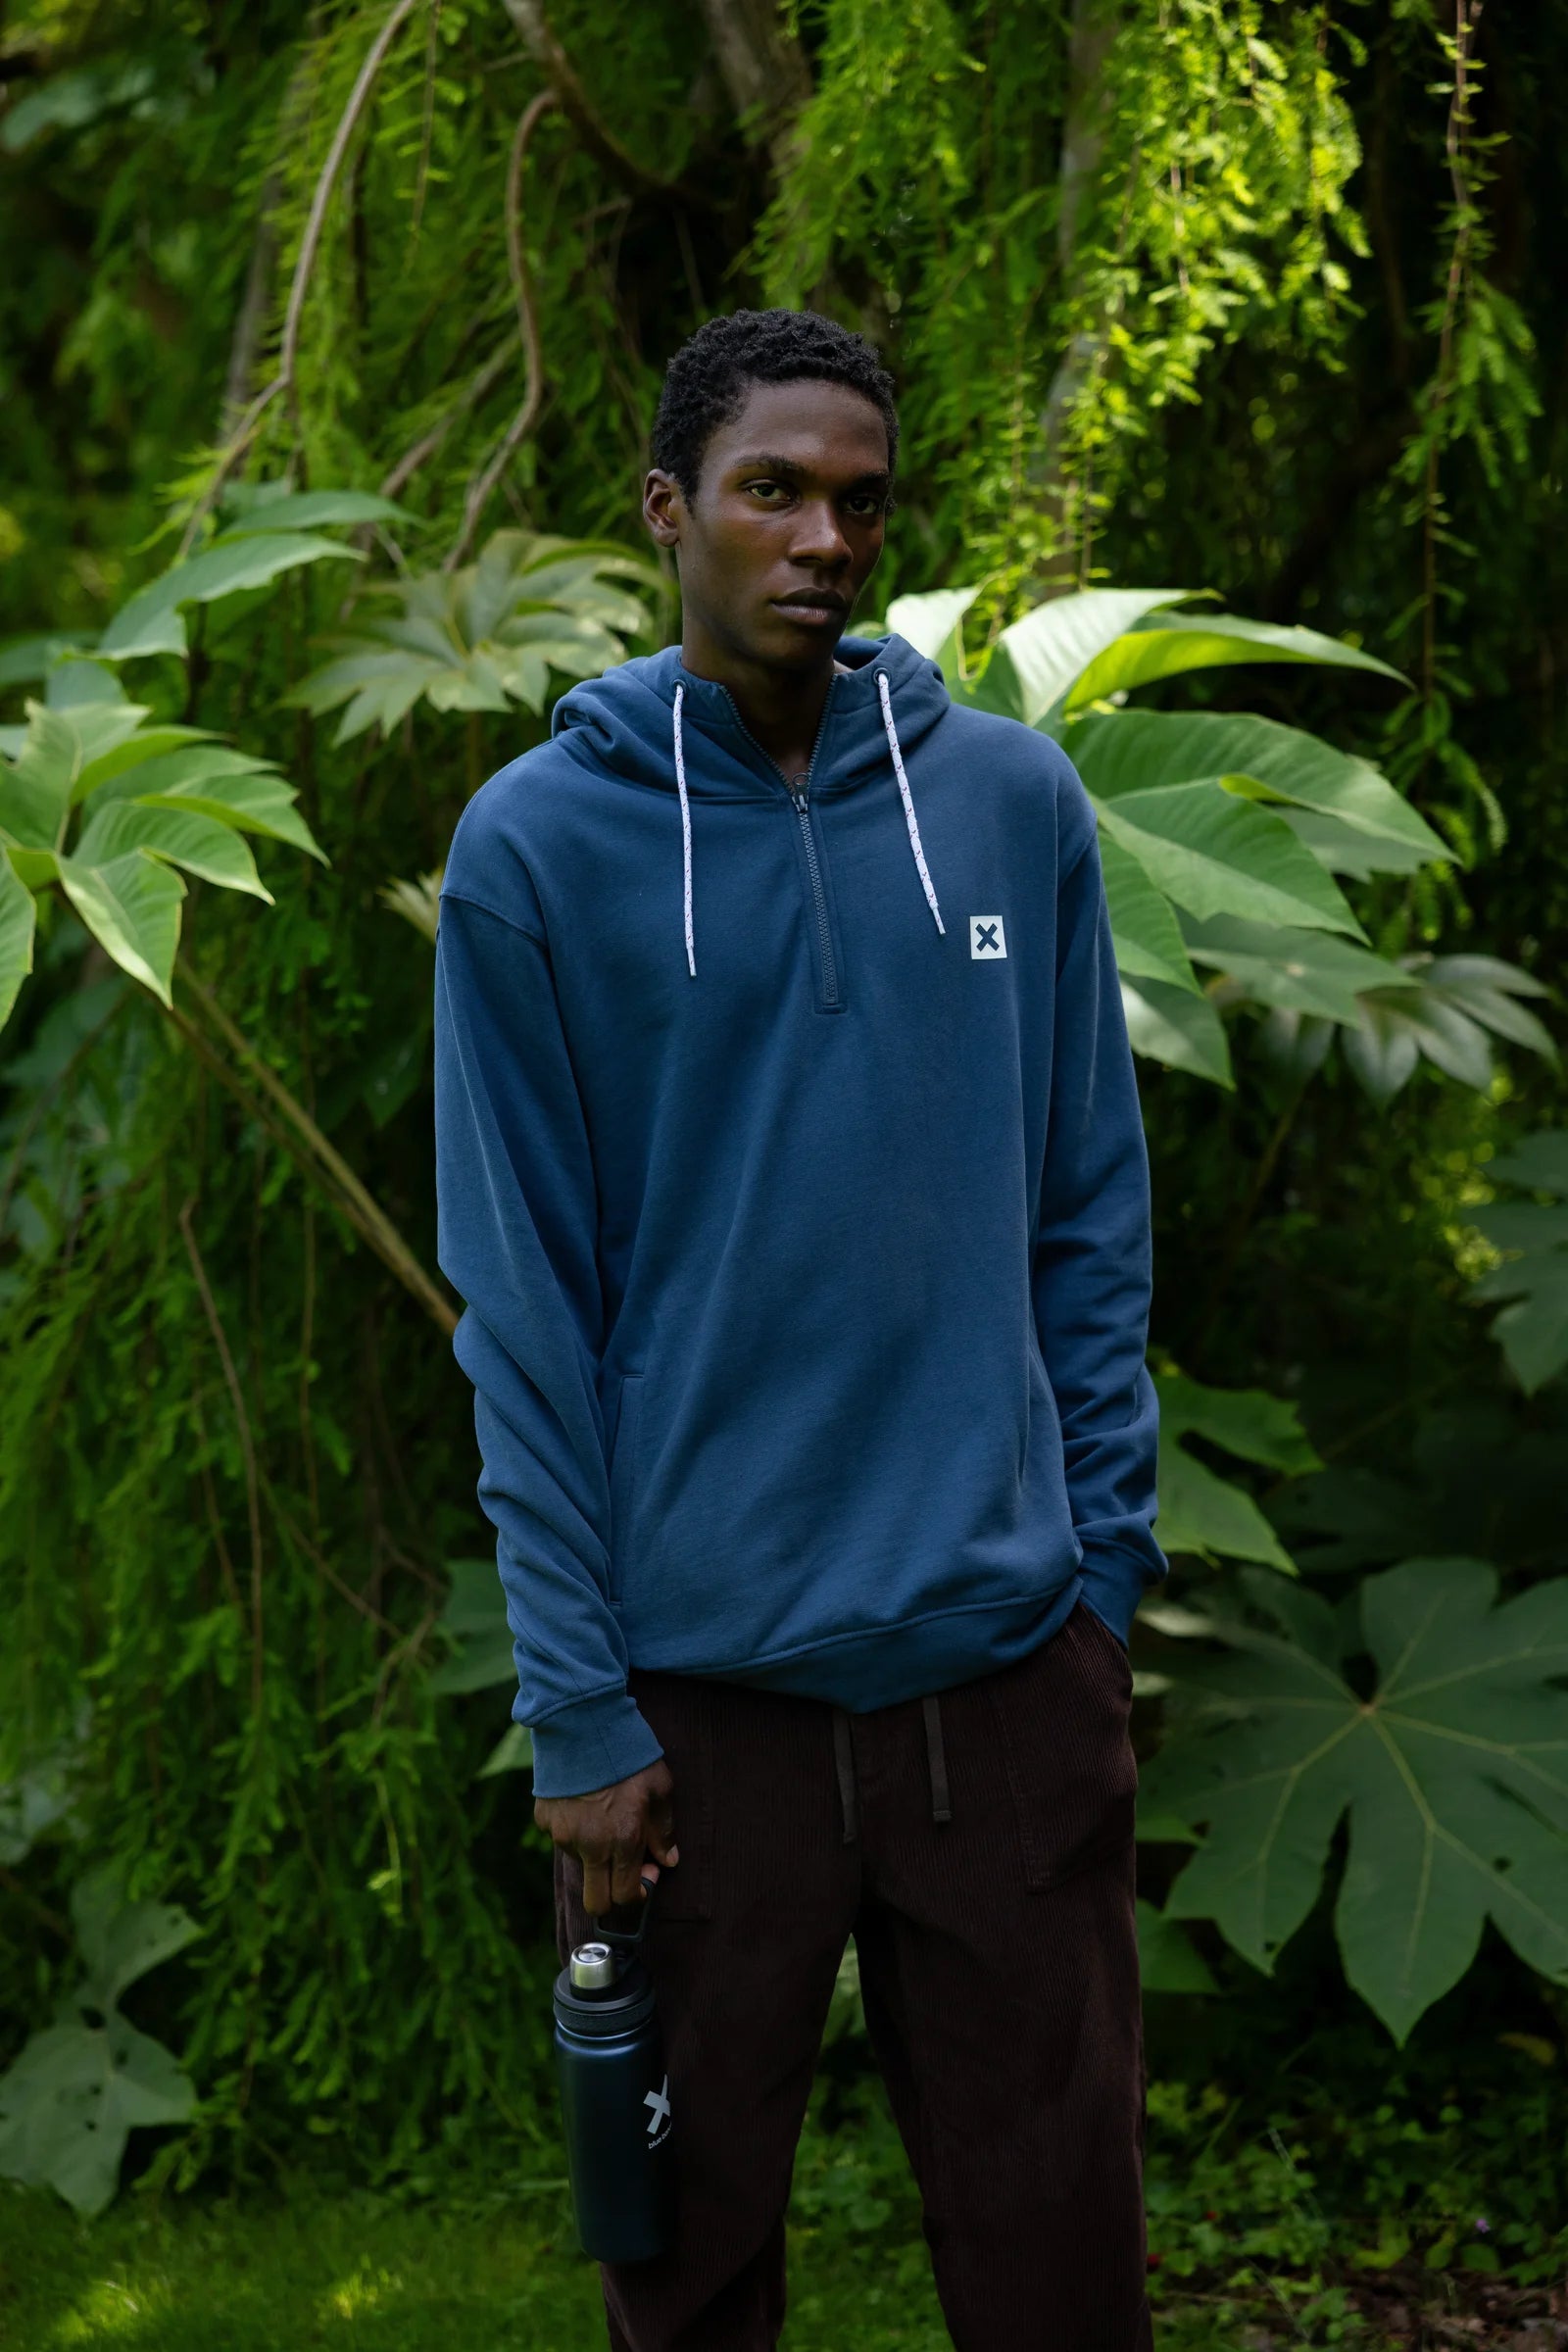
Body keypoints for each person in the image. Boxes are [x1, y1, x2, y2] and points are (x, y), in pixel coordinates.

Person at [434, 307, 1164, 2352]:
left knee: (1062, 2285)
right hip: (693, 1720)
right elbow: (523, 1313)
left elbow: (1089, 1221)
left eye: (858, 500)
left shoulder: (1011, 805)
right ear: (669, 510)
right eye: (771, 490)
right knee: (684, 2291)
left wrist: (1099, 1587)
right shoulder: (535, 851)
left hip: (1003, 1684)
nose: (822, 538)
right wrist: (580, 1710)